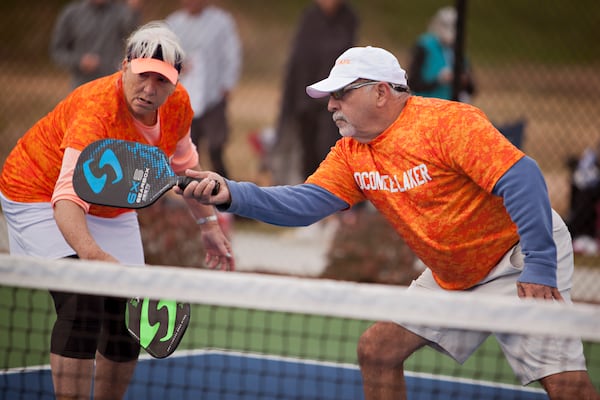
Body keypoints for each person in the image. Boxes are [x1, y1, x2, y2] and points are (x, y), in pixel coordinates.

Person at [178, 46, 599, 399]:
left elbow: (522, 178)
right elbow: (304, 204)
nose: (331, 105)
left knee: (565, 384)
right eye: (330, 96)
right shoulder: (351, 152)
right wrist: (231, 193)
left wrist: (540, 264)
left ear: (382, 92)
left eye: (341, 93)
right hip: (453, 274)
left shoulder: (447, 123)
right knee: (378, 350)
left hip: (518, 257)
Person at [0, 21, 234, 400]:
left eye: (162, 81)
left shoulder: (178, 105)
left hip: (111, 199)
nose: (150, 89)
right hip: (39, 194)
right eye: (143, 76)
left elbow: (185, 169)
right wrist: (93, 255)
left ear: (175, 81)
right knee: (83, 298)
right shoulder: (97, 112)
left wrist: (208, 225)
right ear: (125, 65)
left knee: (129, 311)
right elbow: (67, 198)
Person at [269, 0, 359, 185]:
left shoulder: (348, 19)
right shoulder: (309, 17)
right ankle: (311, 191)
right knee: (306, 149)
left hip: (333, 95)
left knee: (328, 146)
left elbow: (341, 56)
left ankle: (332, 191)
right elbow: (298, 58)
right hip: (306, 94)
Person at [165, 0, 242, 179]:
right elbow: (167, 53)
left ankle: (226, 185)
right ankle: (192, 187)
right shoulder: (174, 23)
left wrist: (228, 83)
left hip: (213, 94)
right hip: (185, 96)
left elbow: (231, 54)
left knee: (216, 145)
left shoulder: (221, 22)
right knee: (190, 147)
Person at [50, 0, 143, 89]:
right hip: (83, 85)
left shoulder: (121, 12)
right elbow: (58, 51)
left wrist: (134, 10)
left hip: (113, 84)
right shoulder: (72, 14)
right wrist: (79, 61)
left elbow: (133, 33)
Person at [408, 6, 475, 102]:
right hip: (427, 105)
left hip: (453, 107)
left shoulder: (458, 49)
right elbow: (413, 83)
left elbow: (471, 89)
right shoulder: (424, 46)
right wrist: (439, 80)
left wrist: (463, 80)